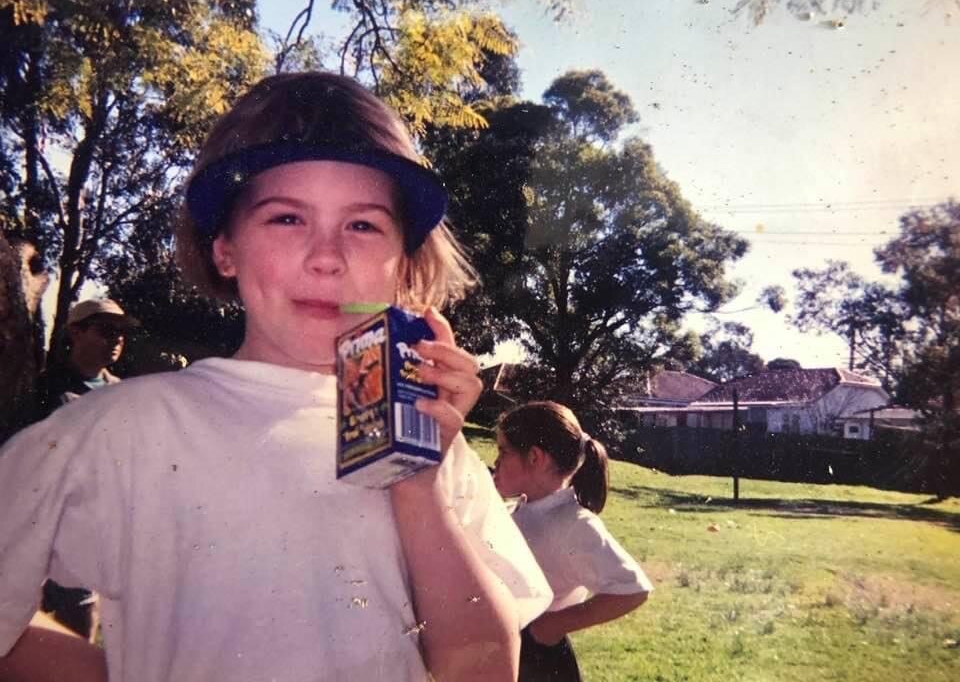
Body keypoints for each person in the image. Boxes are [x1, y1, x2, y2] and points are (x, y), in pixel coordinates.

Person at [0, 71, 552, 682]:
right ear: (225, 250)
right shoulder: (119, 427)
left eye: (363, 225)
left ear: (403, 262)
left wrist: (416, 484)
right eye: (287, 218)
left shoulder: (431, 442)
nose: (326, 256)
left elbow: (481, 663)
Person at [493, 401, 653, 682]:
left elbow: (632, 589)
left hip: (538, 660)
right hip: (507, 651)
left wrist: (552, 625)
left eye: (503, 451)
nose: (496, 462)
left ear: (534, 457)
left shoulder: (573, 523)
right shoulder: (520, 510)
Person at [33, 299, 139, 642]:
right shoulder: (41, 387)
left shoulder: (124, 394)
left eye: (122, 332)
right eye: (107, 330)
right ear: (76, 332)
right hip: (36, 529)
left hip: (87, 534)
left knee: (80, 626)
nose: (117, 339)